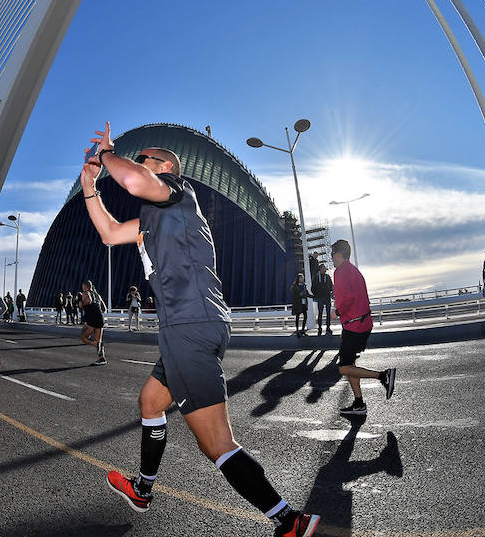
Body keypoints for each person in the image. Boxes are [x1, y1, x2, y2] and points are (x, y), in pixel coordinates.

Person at [82, 123, 320, 536]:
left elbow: (136, 179)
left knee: (216, 444)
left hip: (190, 326)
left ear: (168, 167)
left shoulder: (177, 193)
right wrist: (90, 188)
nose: (137, 165)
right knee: (151, 403)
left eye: (146, 159)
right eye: (138, 160)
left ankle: (288, 522)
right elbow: (107, 233)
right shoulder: (153, 219)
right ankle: (143, 490)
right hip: (190, 326)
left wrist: (106, 156)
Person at [331, 239, 396, 416]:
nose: (332, 259)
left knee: (343, 367)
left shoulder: (341, 271)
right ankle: (359, 403)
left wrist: (337, 311)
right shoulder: (353, 271)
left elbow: (349, 297)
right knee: (350, 363)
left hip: (355, 325)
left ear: (339, 254)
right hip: (358, 323)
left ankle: (383, 376)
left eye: (333, 255)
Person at [79, 280, 107, 366]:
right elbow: (104, 308)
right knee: (99, 340)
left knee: (84, 337)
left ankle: (94, 344)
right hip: (100, 318)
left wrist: (81, 304)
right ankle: (101, 359)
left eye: (83, 286)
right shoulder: (97, 295)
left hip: (92, 319)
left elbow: (88, 300)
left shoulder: (85, 293)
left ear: (85, 286)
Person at [311, 264, 333, 335]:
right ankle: (319, 328)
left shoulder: (328, 277)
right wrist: (317, 295)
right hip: (320, 298)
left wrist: (330, 292)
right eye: (323, 268)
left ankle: (328, 327)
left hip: (327, 297)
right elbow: (313, 288)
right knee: (320, 313)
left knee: (328, 313)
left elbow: (331, 286)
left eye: (325, 268)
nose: (324, 269)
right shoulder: (316, 277)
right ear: (320, 269)